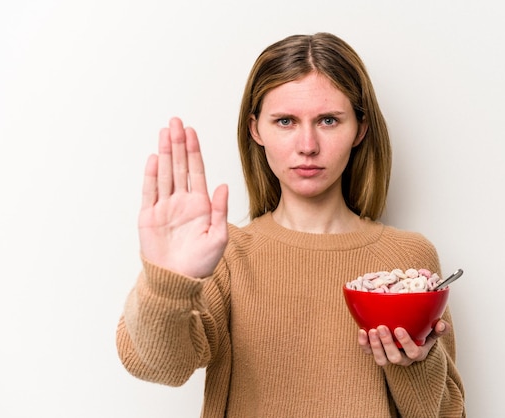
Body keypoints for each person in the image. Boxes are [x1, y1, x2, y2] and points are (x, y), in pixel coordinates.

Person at [116, 32, 465, 417]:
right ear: (255, 129)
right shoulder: (225, 254)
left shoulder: (407, 259)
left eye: (329, 120)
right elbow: (158, 366)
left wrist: (414, 364)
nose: (308, 145)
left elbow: (449, 414)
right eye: (285, 121)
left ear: (360, 129)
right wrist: (166, 281)